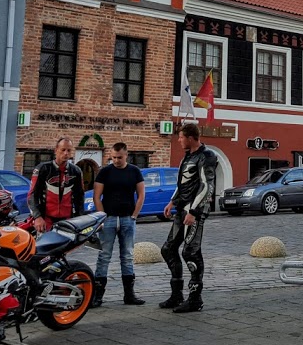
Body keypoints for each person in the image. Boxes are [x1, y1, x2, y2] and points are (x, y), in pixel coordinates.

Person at [160, 123, 218, 313]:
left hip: (194, 211)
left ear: (191, 137)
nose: (179, 140)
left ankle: (195, 299)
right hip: (182, 209)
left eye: (181, 137)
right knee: (168, 249)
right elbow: (183, 183)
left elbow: (206, 186)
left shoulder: (206, 156)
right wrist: (172, 202)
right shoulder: (188, 156)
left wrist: (194, 211)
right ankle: (177, 295)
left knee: (190, 253)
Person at [91, 142, 146, 308]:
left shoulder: (134, 171)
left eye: (119, 157)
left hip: (127, 219)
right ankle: (98, 296)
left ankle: (129, 295)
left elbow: (141, 195)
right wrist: (102, 217)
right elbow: (96, 197)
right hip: (108, 218)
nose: (116, 160)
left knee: (127, 256)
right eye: (113, 157)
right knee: (104, 256)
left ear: (126, 155)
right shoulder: (105, 172)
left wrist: (134, 215)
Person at [28, 137, 85, 233]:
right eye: (63, 150)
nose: (66, 153)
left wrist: (79, 219)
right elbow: (32, 195)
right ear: (56, 150)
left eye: (69, 150)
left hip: (68, 220)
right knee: (44, 246)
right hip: (45, 219)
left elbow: (80, 197)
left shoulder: (76, 171)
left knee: (66, 247)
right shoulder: (43, 168)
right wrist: (37, 217)